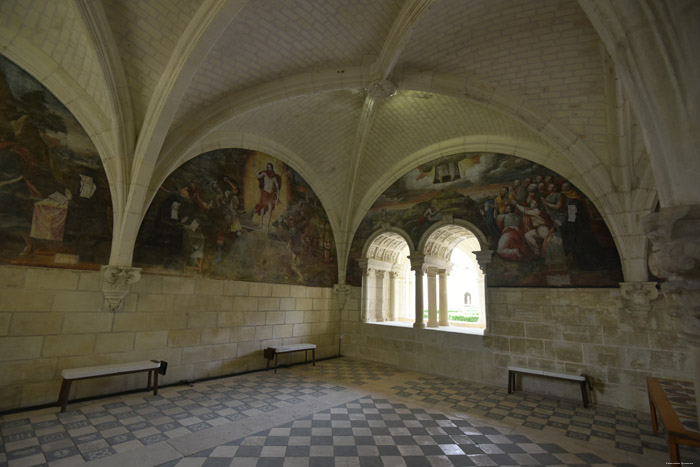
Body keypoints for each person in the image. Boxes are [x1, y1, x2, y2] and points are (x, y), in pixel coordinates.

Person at [255, 162, 281, 229]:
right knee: (263, 207)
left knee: (270, 209)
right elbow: (258, 176)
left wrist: (277, 198)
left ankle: (267, 225)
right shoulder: (264, 174)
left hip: (271, 194)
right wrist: (255, 168)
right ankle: (261, 223)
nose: (269, 168)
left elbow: (277, 189)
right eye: (268, 167)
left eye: (270, 167)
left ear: (272, 168)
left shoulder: (274, 178)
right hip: (265, 193)